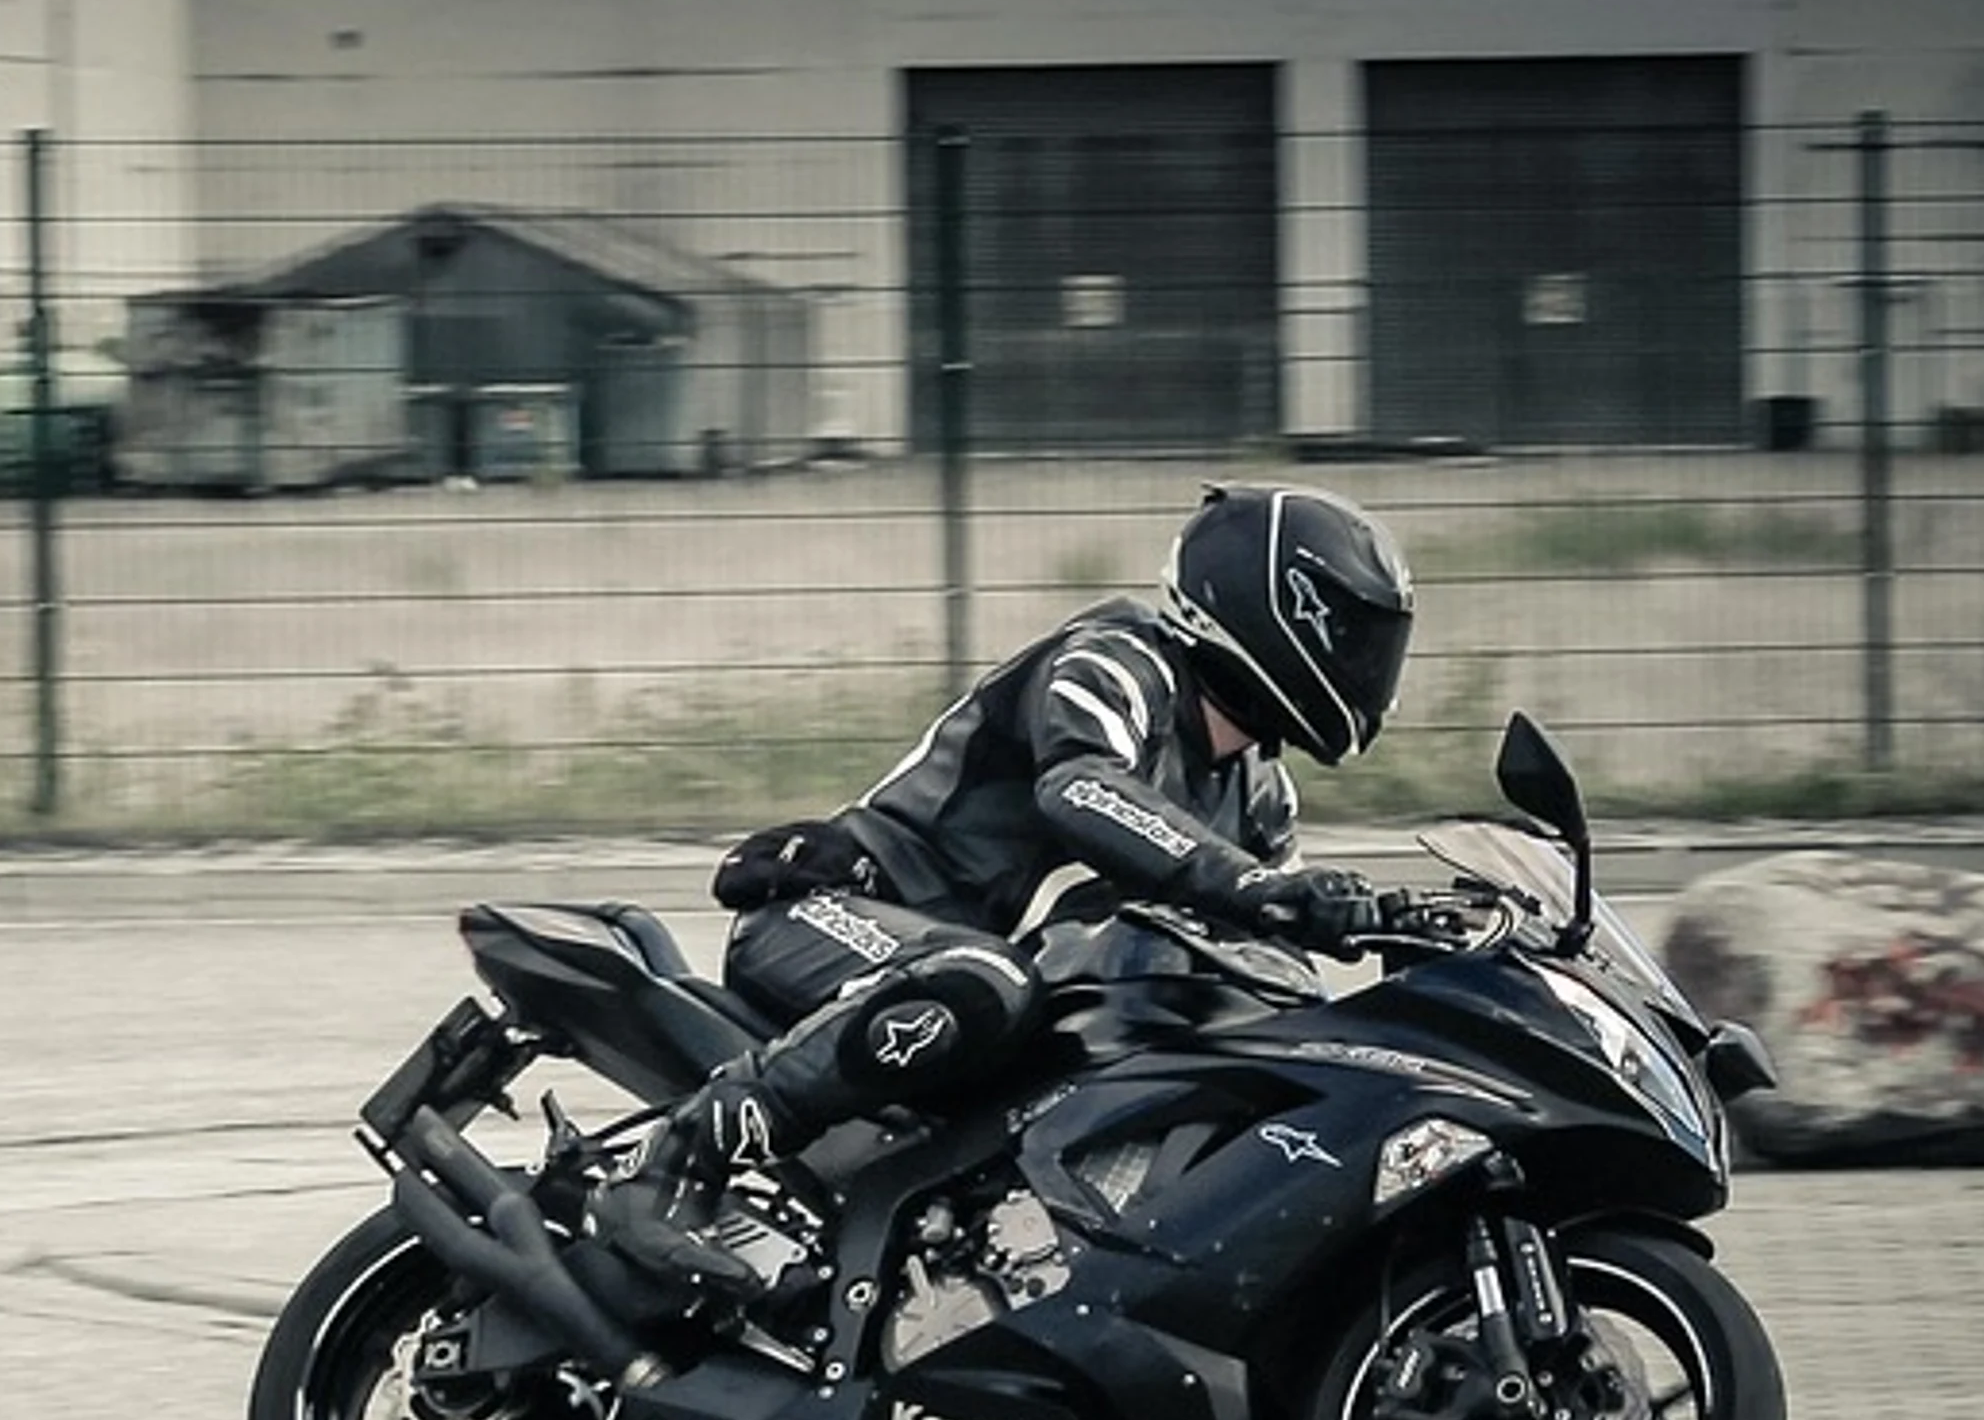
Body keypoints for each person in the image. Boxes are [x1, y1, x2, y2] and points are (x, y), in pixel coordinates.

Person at [593, 482, 1419, 1295]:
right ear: (1262, 603)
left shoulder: (1258, 792)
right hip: (832, 918)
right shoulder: (1118, 662)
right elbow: (1082, 789)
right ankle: (672, 1164)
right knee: (985, 980)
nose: (1367, 664)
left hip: (979, 1005)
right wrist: (1263, 888)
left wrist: (1387, 943)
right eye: (1349, 634)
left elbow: (1262, 956)